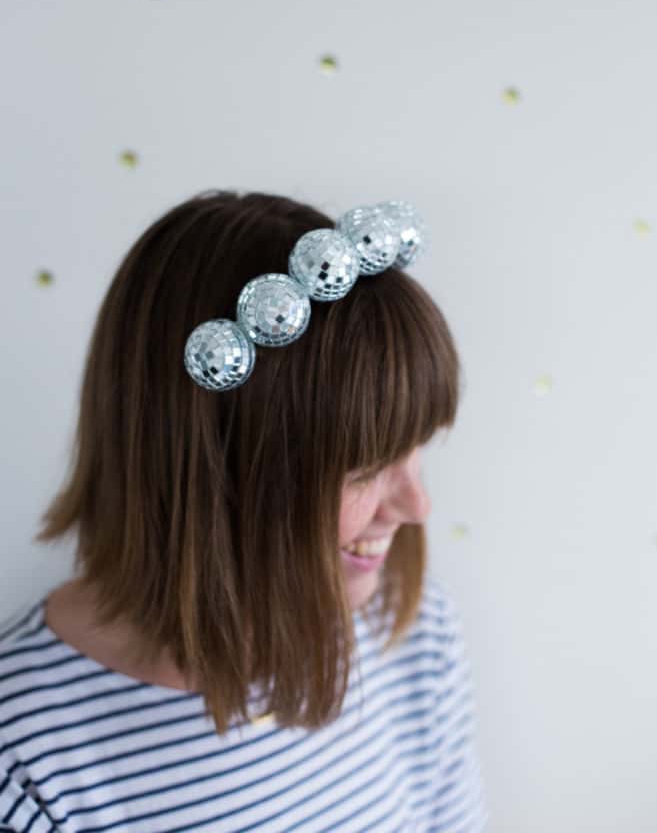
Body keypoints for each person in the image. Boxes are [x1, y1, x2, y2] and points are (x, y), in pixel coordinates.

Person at [0, 189, 489, 832]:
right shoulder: (29, 761)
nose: (415, 505)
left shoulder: (406, 628)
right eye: (365, 469)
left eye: (416, 448)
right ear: (215, 471)